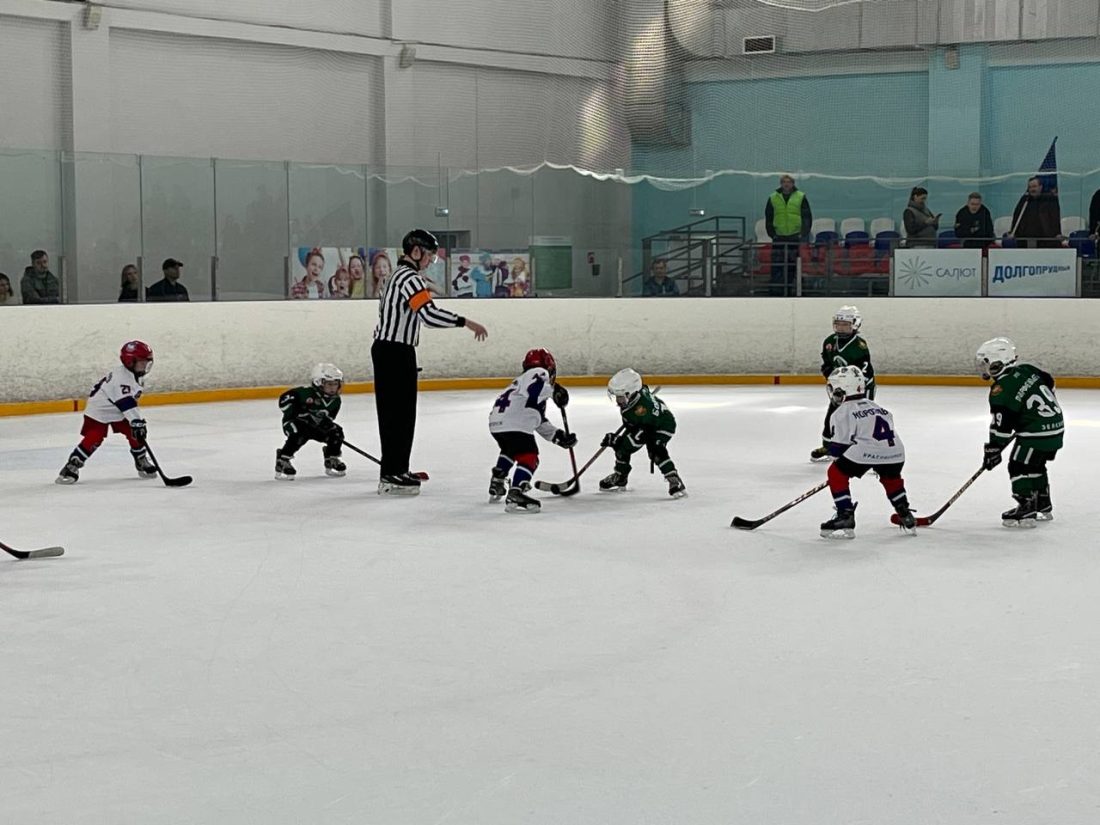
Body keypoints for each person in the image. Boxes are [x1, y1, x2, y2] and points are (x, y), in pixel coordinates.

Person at [372, 228, 488, 495]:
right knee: (398, 415)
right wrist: (465, 322)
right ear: (415, 252)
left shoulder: (395, 276)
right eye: (429, 256)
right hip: (395, 351)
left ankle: (397, 468)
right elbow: (429, 315)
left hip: (390, 350)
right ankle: (392, 473)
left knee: (397, 414)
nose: (429, 262)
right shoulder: (410, 279)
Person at [818, 366, 915, 539]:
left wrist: (838, 473)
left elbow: (838, 450)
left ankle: (845, 515)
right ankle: (905, 513)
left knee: (835, 473)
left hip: (866, 452)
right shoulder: (878, 407)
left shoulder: (842, 412)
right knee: (890, 477)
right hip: (896, 453)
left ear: (842, 388)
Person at [976, 337, 1063, 526]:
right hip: (1056, 428)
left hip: (1035, 434)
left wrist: (994, 448)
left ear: (997, 362)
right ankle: (1042, 503)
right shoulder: (1027, 369)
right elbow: (1049, 382)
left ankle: (1026, 507)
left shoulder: (1001, 389)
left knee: (1018, 466)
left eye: (986, 363)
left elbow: (1001, 426)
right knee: (1035, 465)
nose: (984, 368)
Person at [487, 348, 577, 513]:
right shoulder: (538, 373)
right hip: (515, 424)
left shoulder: (519, 383)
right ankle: (516, 492)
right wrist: (554, 391)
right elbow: (534, 388)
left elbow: (537, 419)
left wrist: (558, 436)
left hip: (497, 423)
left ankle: (498, 479)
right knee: (529, 456)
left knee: (511, 449)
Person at [56, 341, 157, 484]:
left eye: (147, 362)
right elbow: (126, 403)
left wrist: (136, 423)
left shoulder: (134, 374)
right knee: (95, 437)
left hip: (118, 410)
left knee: (134, 433)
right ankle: (72, 465)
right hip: (99, 410)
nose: (145, 366)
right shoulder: (121, 379)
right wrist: (136, 421)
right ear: (129, 362)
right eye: (142, 362)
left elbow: (128, 403)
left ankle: (141, 460)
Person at [599, 368, 685, 498]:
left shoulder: (641, 411)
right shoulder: (637, 395)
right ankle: (620, 477)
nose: (618, 401)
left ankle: (674, 480)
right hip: (644, 424)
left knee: (655, 449)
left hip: (661, 426)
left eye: (621, 397)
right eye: (617, 397)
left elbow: (642, 434)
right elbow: (644, 388)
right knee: (622, 449)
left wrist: (616, 441)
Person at [811, 306, 875, 462]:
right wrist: (828, 371)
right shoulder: (829, 341)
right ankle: (828, 446)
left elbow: (865, 372)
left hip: (861, 388)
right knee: (833, 416)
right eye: (838, 324)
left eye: (845, 325)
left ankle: (870, 450)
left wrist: (856, 390)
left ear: (855, 324)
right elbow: (827, 361)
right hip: (840, 388)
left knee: (861, 420)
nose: (841, 328)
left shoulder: (859, 346)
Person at [275, 363, 347, 480]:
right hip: (294, 423)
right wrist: (296, 410)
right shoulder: (305, 393)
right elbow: (283, 401)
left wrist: (326, 422)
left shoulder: (336, 401)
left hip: (315, 426)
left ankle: (332, 457)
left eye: (336, 384)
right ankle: (282, 460)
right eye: (329, 384)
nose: (333, 388)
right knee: (299, 434)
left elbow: (330, 417)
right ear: (318, 382)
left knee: (336, 432)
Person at [764, 174, 812, 296]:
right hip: (779, 236)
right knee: (777, 265)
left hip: (794, 236)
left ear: (793, 183)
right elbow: (769, 217)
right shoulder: (773, 197)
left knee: (791, 265)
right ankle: (776, 291)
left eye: (789, 182)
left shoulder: (800, 196)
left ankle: (789, 290)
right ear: (781, 184)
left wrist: (802, 233)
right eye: (784, 182)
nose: (786, 184)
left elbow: (807, 217)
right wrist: (772, 234)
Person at [1008, 177, 1062, 249]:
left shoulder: (1049, 199)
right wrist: (1013, 232)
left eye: (1034, 186)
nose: (1032, 189)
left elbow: (1055, 218)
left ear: (1040, 187)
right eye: (1030, 187)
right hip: (1025, 240)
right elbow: (1017, 217)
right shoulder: (1025, 200)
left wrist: (1057, 233)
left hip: (1046, 240)